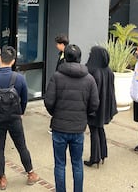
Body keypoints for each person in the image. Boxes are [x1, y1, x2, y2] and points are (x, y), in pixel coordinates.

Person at [45, 44, 99, 192]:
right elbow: (94, 104)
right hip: (78, 128)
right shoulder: (89, 79)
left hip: (59, 128)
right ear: (80, 58)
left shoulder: (56, 77)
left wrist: (55, 114)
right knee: (77, 163)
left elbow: (48, 101)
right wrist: (83, 115)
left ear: (65, 58)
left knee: (60, 164)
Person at [0, 46, 39, 190]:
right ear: (13, 61)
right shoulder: (19, 78)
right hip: (15, 118)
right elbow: (25, 99)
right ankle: (30, 173)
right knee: (21, 146)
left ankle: (2, 178)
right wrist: (21, 112)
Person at [84, 46, 117, 167]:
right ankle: (102, 153)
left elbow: (92, 92)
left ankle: (95, 157)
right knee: (100, 128)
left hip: (95, 107)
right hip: (104, 106)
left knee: (94, 131)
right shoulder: (108, 70)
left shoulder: (94, 72)